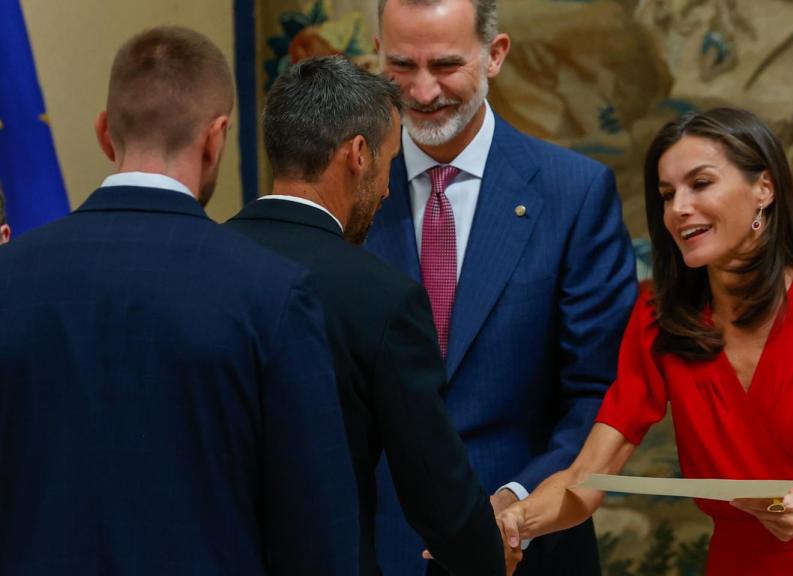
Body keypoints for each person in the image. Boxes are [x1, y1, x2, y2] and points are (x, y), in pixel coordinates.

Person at [0, 27, 360, 575]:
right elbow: (315, 530)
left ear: (104, 132)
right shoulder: (273, 291)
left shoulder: (10, 276)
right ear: (217, 137)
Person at [496, 108, 793, 575]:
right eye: (667, 194)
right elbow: (583, 480)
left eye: (700, 184)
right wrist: (515, 521)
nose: (678, 209)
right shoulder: (660, 319)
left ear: (764, 188)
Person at [366, 0, 637, 574]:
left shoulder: (575, 194)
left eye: (444, 65)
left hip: (533, 546)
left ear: (495, 55)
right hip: (377, 547)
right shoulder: (349, 192)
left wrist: (519, 499)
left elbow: (597, 392)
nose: (420, 91)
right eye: (400, 67)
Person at [224, 55, 514, 576]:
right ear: (358, 154)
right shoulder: (379, 296)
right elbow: (433, 486)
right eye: (388, 161)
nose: (385, 189)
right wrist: (487, 558)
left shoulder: (201, 265)